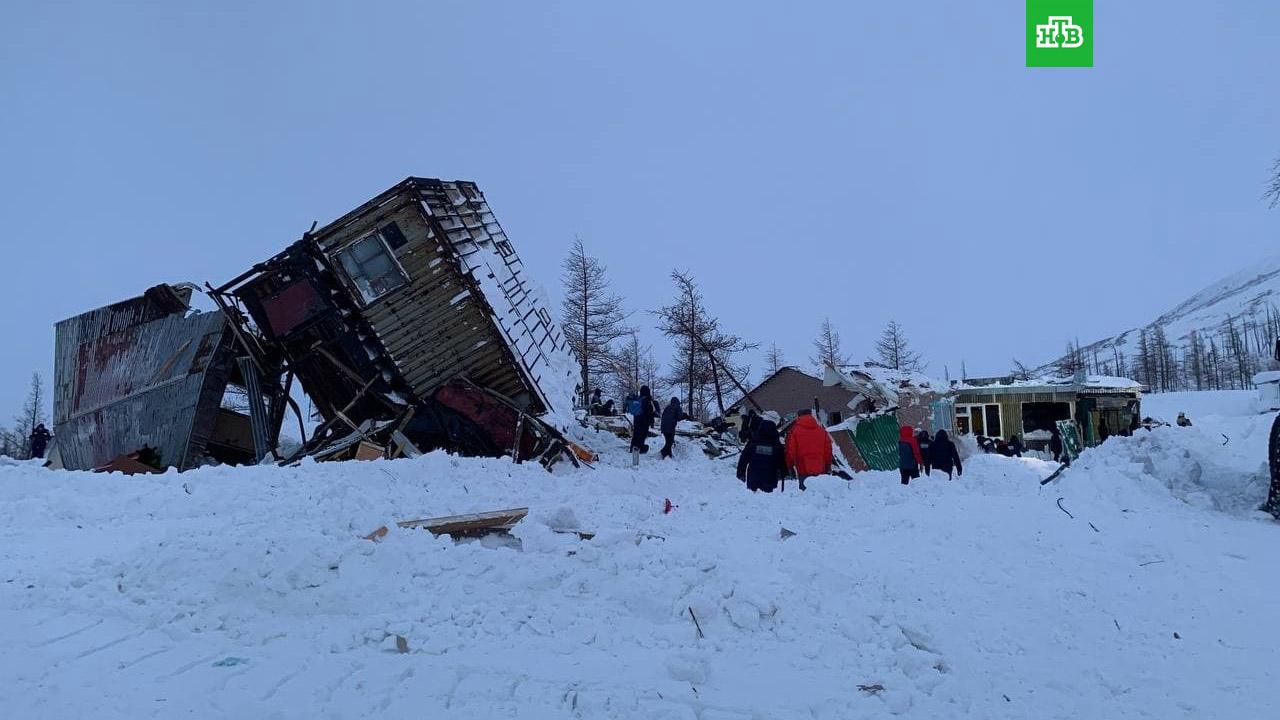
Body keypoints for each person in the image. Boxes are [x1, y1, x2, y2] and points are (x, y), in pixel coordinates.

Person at [737, 411, 787, 492]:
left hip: (753, 479)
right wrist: (784, 473)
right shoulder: (777, 445)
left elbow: (743, 458)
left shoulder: (753, 443)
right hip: (770, 479)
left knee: (754, 501)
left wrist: (741, 473)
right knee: (766, 500)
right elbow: (781, 461)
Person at [784, 409, 833, 491]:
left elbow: (790, 451)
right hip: (821, 468)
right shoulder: (821, 431)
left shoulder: (794, 432)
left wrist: (789, 466)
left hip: (803, 469)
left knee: (806, 495)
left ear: (798, 416)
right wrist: (828, 466)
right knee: (821, 493)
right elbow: (828, 450)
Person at [630, 386, 657, 466]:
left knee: (636, 434)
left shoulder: (639, 399)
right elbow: (650, 412)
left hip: (637, 420)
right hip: (644, 421)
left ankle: (633, 448)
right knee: (642, 435)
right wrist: (651, 421)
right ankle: (639, 449)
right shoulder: (647, 400)